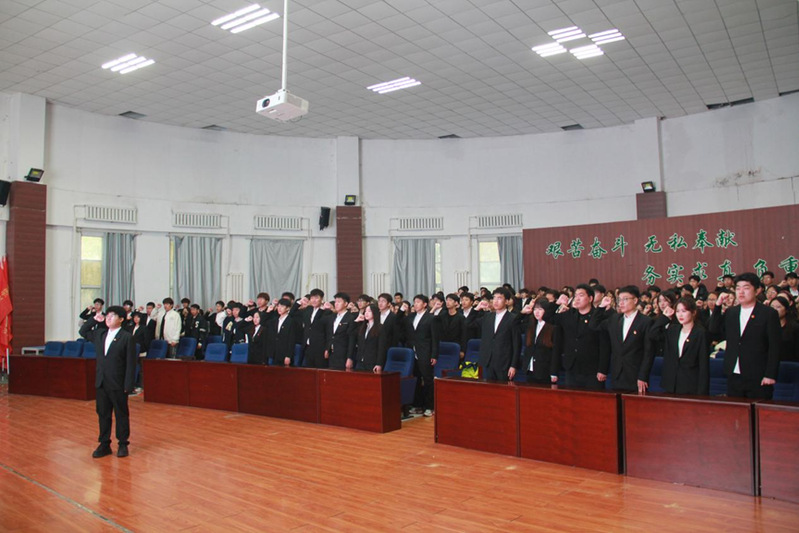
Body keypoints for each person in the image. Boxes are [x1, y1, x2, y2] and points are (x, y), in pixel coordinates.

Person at [709, 272, 781, 399]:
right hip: (734, 373)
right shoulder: (731, 312)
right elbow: (714, 331)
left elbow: (775, 346)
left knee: (758, 410)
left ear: (757, 290)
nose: (741, 292)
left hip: (758, 374)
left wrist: (770, 374)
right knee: (736, 409)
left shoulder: (768, 313)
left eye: (746, 288)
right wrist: (718, 306)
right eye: (738, 288)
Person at [80, 305, 138, 458]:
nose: (108, 318)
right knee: (103, 414)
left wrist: (128, 384)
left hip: (118, 383)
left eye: (113, 316)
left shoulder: (127, 337)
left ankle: (123, 444)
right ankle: (104, 443)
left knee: (121, 414)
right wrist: (94, 319)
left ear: (121, 319)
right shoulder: (100, 334)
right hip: (102, 381)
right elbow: (83, 331)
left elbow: (131, 363)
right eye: (107, 315)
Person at [589, 285, 654, 393]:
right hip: (617, 373)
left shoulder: (646, 321)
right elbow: (594, 325)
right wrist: (601, 307)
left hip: (635, 375)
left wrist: (643, 376)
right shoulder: (614, 319)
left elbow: (648, 352)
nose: (621, 303)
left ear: (635, 300)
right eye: (619, 300)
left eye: (625, 299)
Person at [550, 284, 610, 390]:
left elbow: (604, 346)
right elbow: (548, 317)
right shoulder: (569, 314)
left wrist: (602, 369)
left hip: (592, 370)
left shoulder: (598, 317)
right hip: (571, 367)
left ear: (590, 298)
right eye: (575, 295)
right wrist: (557, 303)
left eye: (581, 295)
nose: (577, 298)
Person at [652, 296, 710, 395]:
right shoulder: (673, 330)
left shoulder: (700, 333)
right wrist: (665, 317)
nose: (680, 315)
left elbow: (703, 364)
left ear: (693, 312)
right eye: (678, 311)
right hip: (671, 383)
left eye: (684, 311)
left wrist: (702, 392)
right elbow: (653, 334)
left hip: (690, 385)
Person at [402, 294, 439, 417]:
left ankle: (430, 406)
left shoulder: (431, 318)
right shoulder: (410, 317)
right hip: (412, 352)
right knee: (416, 379)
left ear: (425, 304)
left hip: (425, 352)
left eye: (418, 302)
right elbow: (399, 322)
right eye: (415, 302)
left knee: (427, 380)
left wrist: (434, 355)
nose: (416, 304)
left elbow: (435, 338)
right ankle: (417, 405)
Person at [476, 287, 520, 382]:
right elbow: (468, 324)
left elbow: (516, 344)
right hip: (488, 361)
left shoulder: (513, 319)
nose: (495, 301)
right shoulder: (488, 317)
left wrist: (513, 365)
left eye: (499, 298)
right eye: (494, 298)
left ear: (507, 301)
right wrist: (477, 309)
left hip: (504, 363)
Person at [520, 298, 562, 384]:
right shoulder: (531, 325)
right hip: (530, 369)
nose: (537, 312)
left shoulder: (553, 328)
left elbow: (556, 352)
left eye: (540, 309)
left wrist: (554, 372)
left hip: (545, 370)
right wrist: (522, 313)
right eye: (535, 309)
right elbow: (515, 325)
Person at [301, 288, 331, 368]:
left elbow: (328, 332)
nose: (314, 300)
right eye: (312, 298)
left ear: (321, 299)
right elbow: (293, 313)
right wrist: (299, 303)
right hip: (308, 346)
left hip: (320, 348)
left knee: (320, 370)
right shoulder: (308, 310)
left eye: (316, 298)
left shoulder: (326, 312)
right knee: (309, 370)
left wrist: (327, 348)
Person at [352, 303, 387, 373]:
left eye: (369, 311)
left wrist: (379, 364)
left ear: (375, 312)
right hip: (360, 361)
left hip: (372, 362)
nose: (366, 313)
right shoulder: (362, 327)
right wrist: (356, 321)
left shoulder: (380, 328)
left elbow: (381, 347)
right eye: (365, 311)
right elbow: (351, 334)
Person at [267, 298, 299, 366]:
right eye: (278, 306)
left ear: (288, 308)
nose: (279, 308)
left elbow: (291, 340)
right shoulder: (275, 320)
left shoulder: (291, 321)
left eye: (282, 306)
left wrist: (288, 356)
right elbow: (263, 323)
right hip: (275, 353)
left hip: (285, 354)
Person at [329, 293, 357, 370]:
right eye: (335, 302)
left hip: (343, 353)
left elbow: (352, 339)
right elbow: (331, 335)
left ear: (346, 304)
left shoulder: (351, 318)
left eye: (339, 302)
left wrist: (350, 357)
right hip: (332, 353)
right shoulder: (333, 317)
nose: (336, 304)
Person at [770, 295, 799, 362]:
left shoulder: (794, 328)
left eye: (778, 307)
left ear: (786, 309)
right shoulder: (765, 326)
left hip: (790, 364)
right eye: (772, 307)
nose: (774, 310)